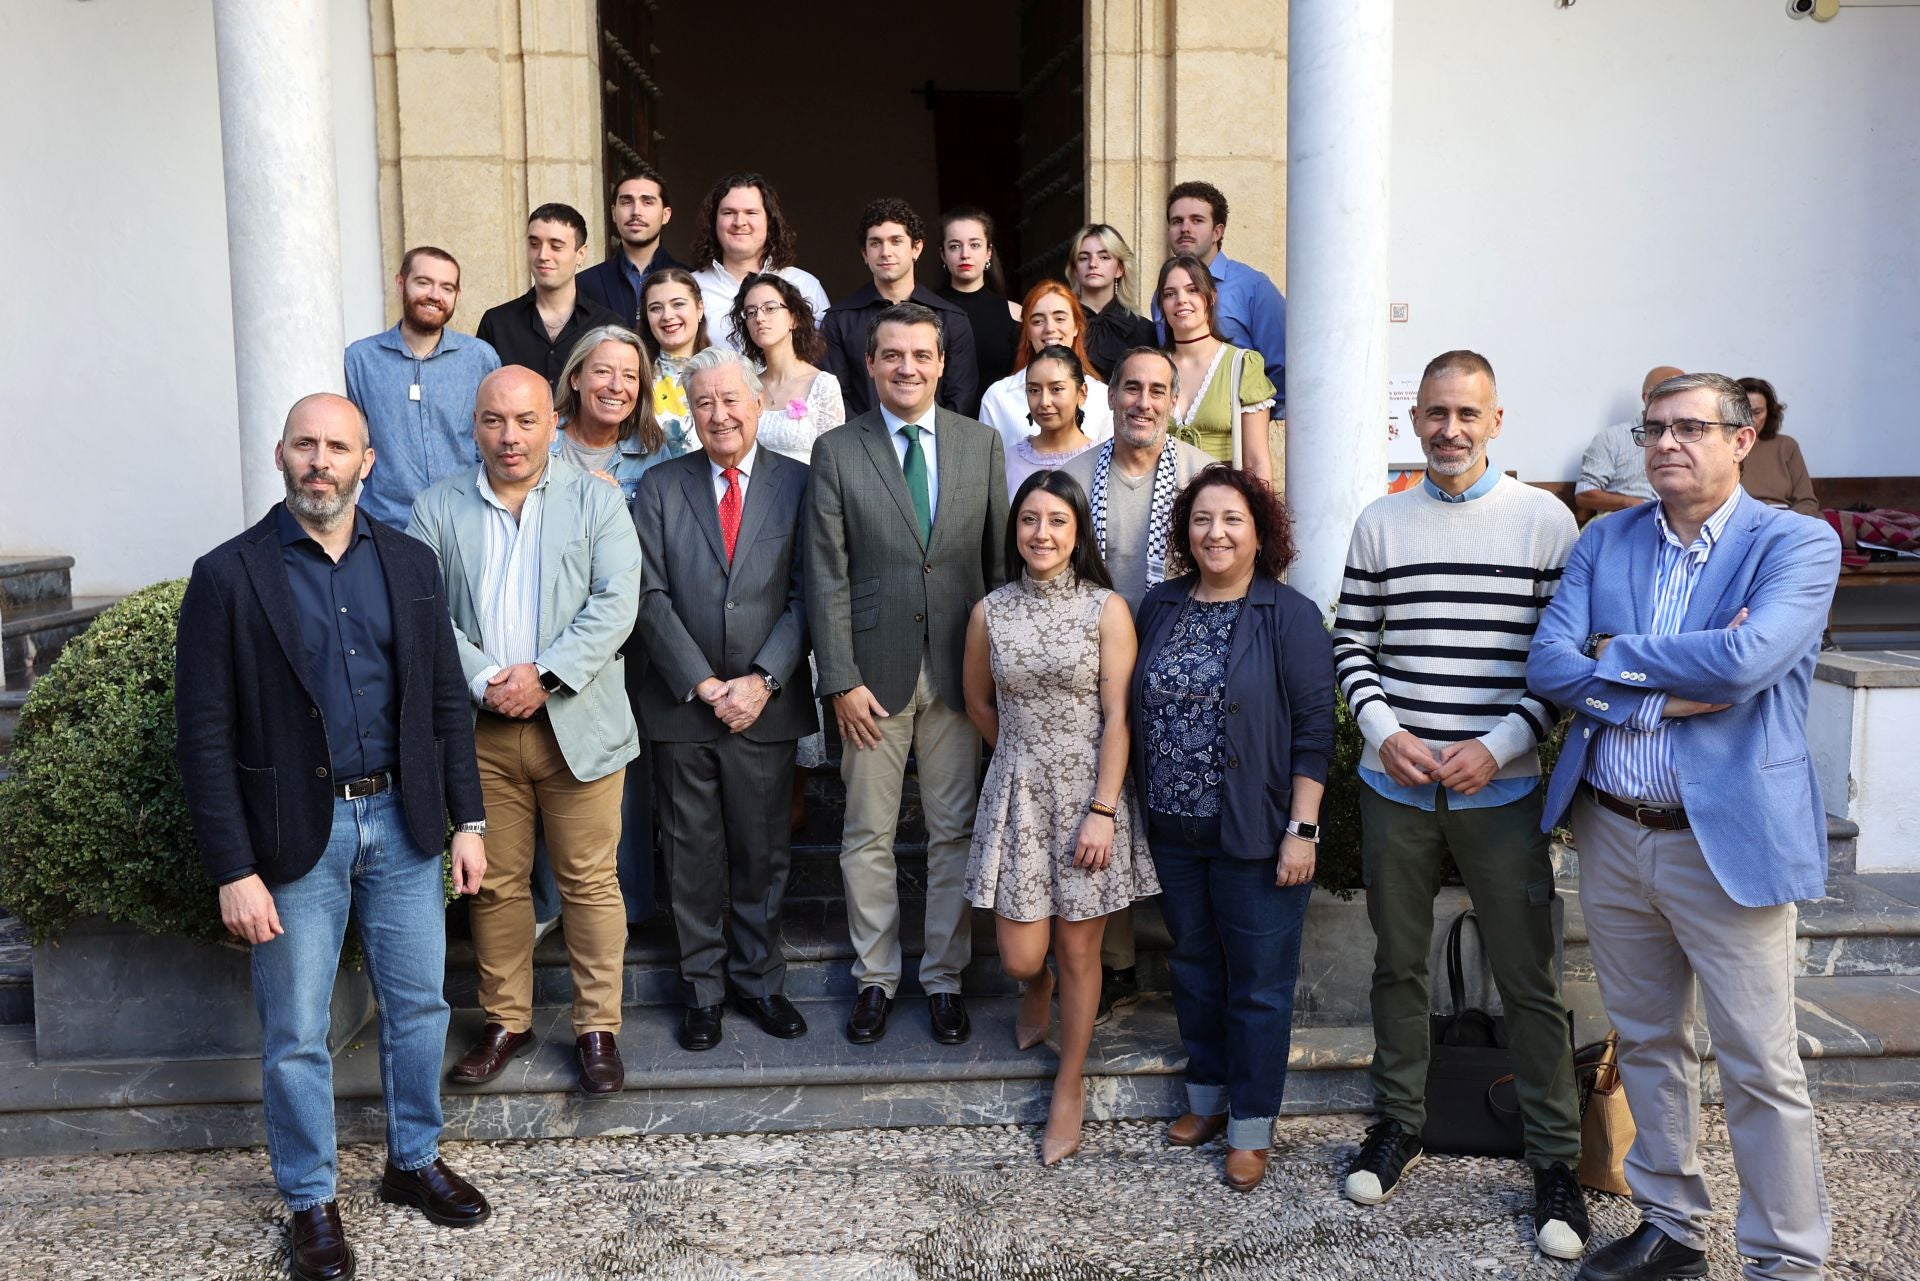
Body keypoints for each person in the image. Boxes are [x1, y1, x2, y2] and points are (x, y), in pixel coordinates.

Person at [1528, 372, 1841, 1281]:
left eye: (1690, 427)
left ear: (1743, 439)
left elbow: (1747, 662)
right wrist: (1670, 692)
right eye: (1653, 428)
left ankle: (1785, 1257)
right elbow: (1551, 664)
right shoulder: (1606, 538)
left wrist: (1613, 660)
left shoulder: (1797, 544)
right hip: (1614, 829)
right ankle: (1671, 1225)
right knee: (1649, 1040)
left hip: (1726, 839)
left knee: (1758, 1063)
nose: (1665, 443)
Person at [175, 393, 492, 1281]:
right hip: (290, 842)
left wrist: (467, 820)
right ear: (281, 455)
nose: (322, 460)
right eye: (306, 444)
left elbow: (442, 707)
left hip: (404, 821)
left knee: (421, 1005)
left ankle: (413, 1159)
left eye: (339, 446)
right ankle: (312, 1199)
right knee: (297, 1031)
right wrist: (233, 868)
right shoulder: (229, 576)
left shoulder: (411, 562)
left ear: (368, 462)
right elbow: (203, 734)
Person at [1332, 350, 1588, 1261]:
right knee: (1398, 963)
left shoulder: (1545, 523)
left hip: (1501, 787)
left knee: (1526, 976)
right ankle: (1398, 1121)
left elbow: (1562, 665)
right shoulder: (1381, 522)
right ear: (1414, 419)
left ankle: (1556, 1155)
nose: (1449, 429)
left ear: (1497, 419)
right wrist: (1383, 728)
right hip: (1394, 781)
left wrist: (1502, 744)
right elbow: (1352, 643)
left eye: (1466, 413)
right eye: (1434, 412)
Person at [407, 365, 643, 1097]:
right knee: (496, 883)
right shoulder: (436, 506)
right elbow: (421, 611)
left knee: (589, 881)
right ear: (473, 425)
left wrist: (543, 674)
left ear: (552, 421)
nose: (510, 437)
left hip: (580, 722)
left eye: (525, 420)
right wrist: (484, 677)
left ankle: (597, 1025)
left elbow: (617, 602)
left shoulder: (596, 500)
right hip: (479, 729)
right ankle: (506, 1019)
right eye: (494, 421)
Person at [806, 301, 1009, 1047]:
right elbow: (825, 570)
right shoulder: (837, 449)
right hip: (870, 678)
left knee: (954, 830)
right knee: (867, 833)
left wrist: (992, 673)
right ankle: (875, 978)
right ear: (868, 362)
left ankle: (945, 979)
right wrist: (840, 677)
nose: (908, 367)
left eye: (921, 354)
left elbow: (995, 570)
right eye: (892, 354)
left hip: (960, 671)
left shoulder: (979, 444)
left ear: (941, 361)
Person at [1130, 465, 1334, 1192]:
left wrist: (1302, 828)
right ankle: (1207, 1099)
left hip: (1256, 832)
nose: (1215, 533)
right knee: (1193, 968)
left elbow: (1315, 730)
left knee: (1257, 986)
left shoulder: (1289, 613)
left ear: (1259, 532)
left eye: (1232, 520)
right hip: (1174, 829)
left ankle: (1251, 1123)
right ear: (1184, 531)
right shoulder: (1159, 605)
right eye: (1202, 519)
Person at [963, 469, 1155, 1166]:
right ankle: (1034, 986)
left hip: (1089, 798)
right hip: (1017, 794)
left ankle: (1068, 1082)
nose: (1041, 534)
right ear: (1015, 530)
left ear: (1078, 534)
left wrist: (1102, 807)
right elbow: (979, 703)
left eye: (1057, 521)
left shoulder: (1106, 609)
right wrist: (1020, 761)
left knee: (1080, 949)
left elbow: (1117, 716)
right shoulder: (990, 610)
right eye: (1029, 520)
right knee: (1021, 953)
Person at [631, 347, 815, 1052]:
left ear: (758, 404)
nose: (719, 414)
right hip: (683, 706)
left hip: (767, 705)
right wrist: (705, 683)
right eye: (704, 401)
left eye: (731, 399)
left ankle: (761, 981)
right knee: (692, 854)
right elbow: (648, 594)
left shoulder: (799, 484)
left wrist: (763, 678)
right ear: (689, 410)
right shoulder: (660, 486)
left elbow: (808, 592)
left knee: (763, 852)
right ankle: (702, 989)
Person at [1064, 347, 1214, 1019]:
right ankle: (1114, 962)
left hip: (1183, 679)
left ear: (1175, 402)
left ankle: (1197, 962)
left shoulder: (1203, 480)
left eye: (1158, 390)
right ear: (1111, 396)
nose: (1144, 402)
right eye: (1132, 388)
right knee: (1105, 811)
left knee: (1178, 820)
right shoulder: (1070, 479)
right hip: (1092, 679)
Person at [733, 270, 846, 820]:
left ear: (796, 315)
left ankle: (797, 793)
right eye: (750, 311)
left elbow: (834, 469)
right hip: (746, 534)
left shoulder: (822, 386)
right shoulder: (742, 383)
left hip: (803, 533)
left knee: (800, 654)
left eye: (770, 308)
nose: (760, 319)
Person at [344, 245, 501, 528]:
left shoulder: (480, 358)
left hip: (467, 521)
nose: (434, 295)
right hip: (386, 523)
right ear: (401, 283)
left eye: (446, 288)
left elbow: (495, 434)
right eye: (423, 283)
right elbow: (352, 441)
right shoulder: (360, 359)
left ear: (457, 295)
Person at [821, 197, 981, 420]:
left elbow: (961, 398)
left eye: (896, 241)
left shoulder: (952, 319)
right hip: (860, 446)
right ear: (865, 254)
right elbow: (834, 398)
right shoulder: (838, 320)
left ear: (917, 248)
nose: (885, 252)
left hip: (933, 446)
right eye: (876, 243)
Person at [1157, 181, 1286, 409]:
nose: (1185, 228)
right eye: (1177, 221)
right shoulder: (1163, 294)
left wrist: (1253, 419)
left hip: (1238, 428)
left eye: (1197, 220)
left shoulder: (1254, 287)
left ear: (1218, 231)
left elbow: (1283, 367)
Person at [1157, 255, 1276, 483]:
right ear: (1162, 305)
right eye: (1170, 294)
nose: (1181, 300)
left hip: (1221, 503)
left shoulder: (1241, 364)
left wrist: (1256, 516)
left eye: (1192, 290)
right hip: (1160, 505)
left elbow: (1257, 461)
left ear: (1211, 297)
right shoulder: (1152, 367)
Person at [476, 203, 624, 385]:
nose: (543, 255)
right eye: (534, 244)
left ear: (581, 254)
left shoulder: (609, 325)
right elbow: (481, 397)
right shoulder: (496, 323)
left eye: (556, 246)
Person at [688, 173, 830, 351]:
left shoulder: (805, 285)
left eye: (751, 212)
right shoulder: (690, 288)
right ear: (714, 221)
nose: (739, 222)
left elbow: (824, 358)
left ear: (770, 222)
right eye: (728, 212)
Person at [551, 324, 688, 503]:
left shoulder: (653, 452)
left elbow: (662, 529)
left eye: (629, 376)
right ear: (575, 379)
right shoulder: (542, 440)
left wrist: (613, 507)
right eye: (603, 372)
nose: (616, 386)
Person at [977, 281, 1114, 455]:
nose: (1049, 328)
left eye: (1060, 319)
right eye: (1037, 321)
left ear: (1076, 327)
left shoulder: (1103, 397)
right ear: (1027, 331)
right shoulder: (998, 397)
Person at [577, 164, 682, 330]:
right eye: (626, 202)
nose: (636, 211)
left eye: (647, 202)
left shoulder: (691, 278)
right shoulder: (584, 284)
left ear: (666, 214)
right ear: (613, 213)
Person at [1576, 365, 1684, 518]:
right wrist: (1630, 503)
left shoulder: (1691, 439)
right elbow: (1584, 494)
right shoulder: (1612, 438)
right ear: (1646, 398)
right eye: (1668, 393)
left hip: (1677, 525)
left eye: (1684, 394)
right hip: (1623, 522)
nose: (1677, 400)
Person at [936, 204, 1022, 396]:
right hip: (942, 423)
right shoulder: (925, 310)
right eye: (955, 246)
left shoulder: (1015, 313)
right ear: (943, 254)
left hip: (999, 422)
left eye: (974, 245)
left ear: (989, 252)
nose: (965, 254)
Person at [639, 266, 714, 472]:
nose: (667, 316)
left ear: (699, 308)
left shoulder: (725, 371)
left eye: (678, 304)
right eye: (656, 308)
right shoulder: (635, 376)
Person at [1001, 345, 1097, 498]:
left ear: (1082, 393)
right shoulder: (1007, 461)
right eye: (1034, 390)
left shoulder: (1101, 461)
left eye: (1056, 389)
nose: (1044, 402)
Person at [1066, 223, 1159, 381]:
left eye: (1104, 257)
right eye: (1083, 258)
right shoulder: (1060, 324)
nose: (1093, 264)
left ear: (1120, 269)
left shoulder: (1144, 330)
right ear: (1075, 269)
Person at [1738, 376, 1820, 515]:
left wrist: (1788, 525)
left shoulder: (1787, 446)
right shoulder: (1722, 447)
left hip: (1785, 521)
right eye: (1744, 411)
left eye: (1757, 412)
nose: (1751, 420)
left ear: (1769, 412)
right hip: (1740, 521)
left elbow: (1806, 502)